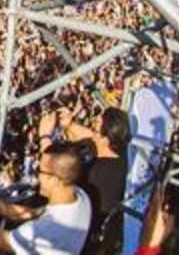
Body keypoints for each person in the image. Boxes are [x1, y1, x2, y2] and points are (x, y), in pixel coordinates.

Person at [0, 141, 92, 255]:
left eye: (39, 170)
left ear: (55, 179)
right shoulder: (80, 196)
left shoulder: (42, 230)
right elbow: (31, 213)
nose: (36, 175)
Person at [53, 106, 129, 254]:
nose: (92, 124)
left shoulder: (103, 175)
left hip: (79, 238)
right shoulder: (116, 152)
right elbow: (88, 136)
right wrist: (69, 124)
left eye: (96, 126)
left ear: (105, 139)